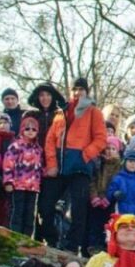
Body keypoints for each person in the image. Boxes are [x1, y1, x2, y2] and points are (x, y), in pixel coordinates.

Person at [47, 77, 110, 254]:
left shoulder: (94, 112)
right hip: (60, 165)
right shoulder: (61, 111)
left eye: (81, 89)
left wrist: (84, 155)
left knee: (78, 209)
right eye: (75, 89)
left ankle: (72, 246)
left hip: (80, 168)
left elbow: (101, 139)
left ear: (87, 92)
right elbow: (50, 140)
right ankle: (52, 240)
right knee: (48, 204)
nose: (77, 93)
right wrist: (51, 163)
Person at [28, 82, 65, 245]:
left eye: (48, 95)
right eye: (41, 95)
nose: (45, 98)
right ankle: (34, 240)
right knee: (32, 207)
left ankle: (51, 240)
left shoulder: (60, 115)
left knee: (47, 206)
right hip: (32, 167)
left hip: (53, 167)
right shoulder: (31, 115)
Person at [3, 111, 46, 237]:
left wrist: (44, 174)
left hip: (33, 187)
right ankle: (15, 237)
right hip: (18, 185)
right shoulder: (16, 146)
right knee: (17, 212)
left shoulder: (38, 149)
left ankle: (27, 238)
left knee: (30, 214)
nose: (30, 131)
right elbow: (8, 164)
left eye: (34, 129)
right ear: (22, 130)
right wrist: (8, 181)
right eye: (27, 129)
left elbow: (39, 166)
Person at [108, 149, 135, 220]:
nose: (133, 164)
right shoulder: (118, 179)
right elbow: (109, 194)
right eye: (130, 161)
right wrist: (114, 194)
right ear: (125, 162)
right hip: (119, 215)